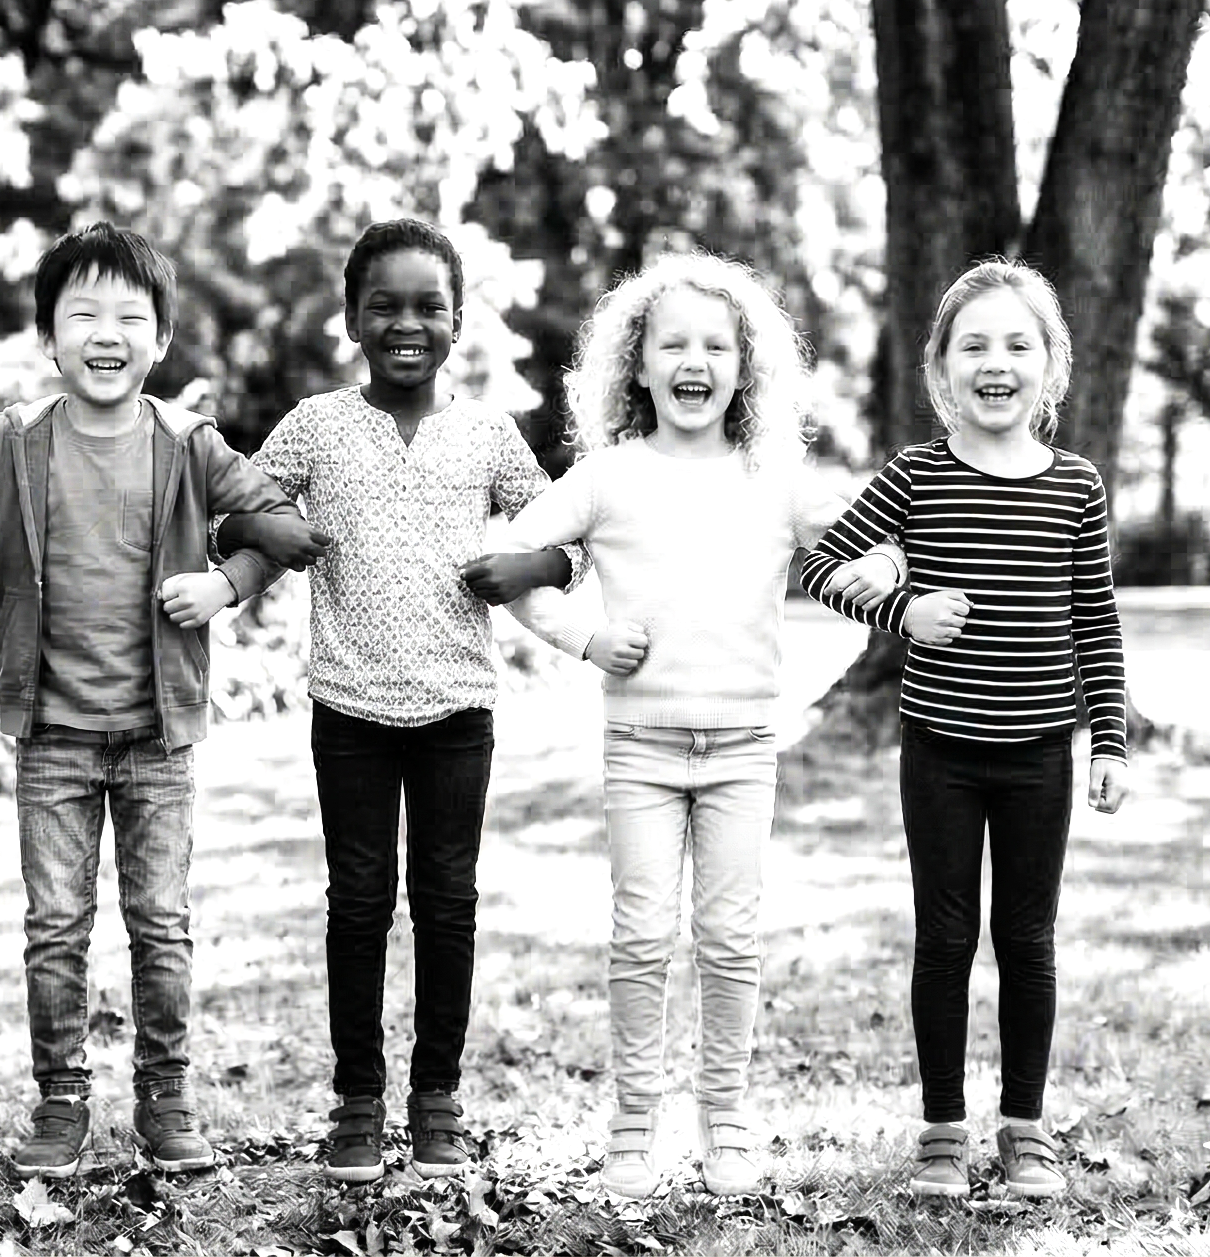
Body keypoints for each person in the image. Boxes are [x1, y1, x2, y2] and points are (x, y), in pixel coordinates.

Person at [0, 223, 321, 1179]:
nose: (105, 332)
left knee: (160, 922)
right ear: (50, 338)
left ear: (160, 339)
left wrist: (225, 584)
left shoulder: (187, 444)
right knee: (54, 927)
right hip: (53, 735)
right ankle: (61, 1100)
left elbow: (288, 528)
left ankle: (166, 1099)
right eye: (82, 313)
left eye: (129, 315)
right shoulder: (12, 442)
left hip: (159, 734)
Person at [464, 250, 901, 1202]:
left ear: (745, 368)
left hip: (746, 748)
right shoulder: (607, 476)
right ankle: (632, 1130)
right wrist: (585, 635)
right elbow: (504, 560)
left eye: (716, 344)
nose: (694, 360)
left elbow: (859, 548)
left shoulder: (775, 477)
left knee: (733, 940)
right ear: (640, 365)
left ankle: (728, 1123)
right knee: (640, 936)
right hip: (641, 749)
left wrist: (893, 570)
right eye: (674, 344)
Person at [207, 218, 581, 1186]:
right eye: (384, 304)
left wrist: (529, 560)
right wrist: (269, 527)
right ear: (350, 317)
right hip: (350, 708)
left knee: (446, 901)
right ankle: (358, 1101)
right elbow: (227, 506)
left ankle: (438, 1096)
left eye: (427, 305)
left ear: (456, 321)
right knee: (359, 902)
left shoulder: (486, 433)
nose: (405, 322)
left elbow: (564, 531)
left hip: (457, 708)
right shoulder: (316, 424)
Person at [798, 259, 1127, 1203]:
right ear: (940, 370)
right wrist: (901, 610)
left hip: (1039, 759)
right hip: (939, 755)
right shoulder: (915, 475)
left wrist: (1107, 739)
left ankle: (1026, 1130)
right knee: (945, 938)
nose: (997, 361)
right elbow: (819, 565)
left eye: (1018, 344)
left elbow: (1095, 623)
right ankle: (943, 1130)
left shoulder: (1076, 485)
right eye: (973, 344)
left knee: (1028, 939)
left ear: (1050, 367)